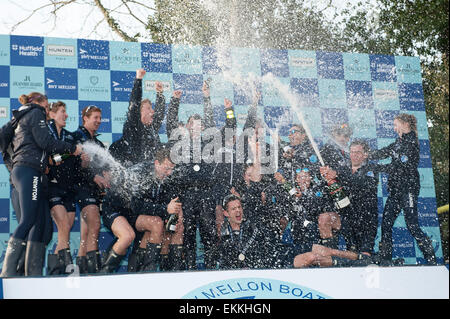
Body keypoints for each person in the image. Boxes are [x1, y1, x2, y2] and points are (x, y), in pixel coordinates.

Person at [1, 92, 82, 278]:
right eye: (47, 107)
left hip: (27, 171)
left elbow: (39, 149)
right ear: (38, 103)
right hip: (28, 171)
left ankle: (32, 274)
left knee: (41, 227)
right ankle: (9, 271)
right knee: (29, 220)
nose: (47, 111)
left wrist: (56, 159)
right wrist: (72, 148)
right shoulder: (35, 112)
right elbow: (45, 142)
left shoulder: (21, 117)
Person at [369, 113, 436, 264]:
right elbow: (384, 152)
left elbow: (398, 167)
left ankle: (431, 259)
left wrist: (377, 167)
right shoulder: (398, 142)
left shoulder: (411, 142)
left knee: (412, 225)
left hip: (408, 190)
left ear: (405, 124)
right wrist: (366, 155)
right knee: (386, 223)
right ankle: (385, 258)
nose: (393, 128)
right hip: (396, 191)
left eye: (395, 125)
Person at [72, 105, 110, 274]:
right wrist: (93, 177)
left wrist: (107, 177)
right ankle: (93, 272)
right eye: (95, 117)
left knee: (85, 232)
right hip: (81, 188)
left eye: (100, 118)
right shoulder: (76, 137)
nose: (98, 121)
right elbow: (71, 167)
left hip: (94, 191)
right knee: (94, 225)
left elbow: (106, 167)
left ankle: (79, 272)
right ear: (85, 118)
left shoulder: (99, 143)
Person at [109, 68, 171, 166]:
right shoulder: (133, 125)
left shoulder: (152, 128)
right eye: (149, 108)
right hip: (135, 171)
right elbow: (135, 103)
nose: (153, 111)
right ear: (140, 111)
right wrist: (138, 80)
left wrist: (160, 95)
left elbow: (159, 115)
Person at [45, 101, 79, 275]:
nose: (66, 115)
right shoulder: (46, 133)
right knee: (64, 225)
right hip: (52, 187)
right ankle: (68, 268)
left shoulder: (69, 136)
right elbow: (50, 160)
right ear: (52, 114)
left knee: (65, 230)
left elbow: (72, 161)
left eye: (66, 112)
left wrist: (81, 157)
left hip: (68, 189)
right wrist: (69, 153)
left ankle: (54, 271)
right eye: (62, 112)